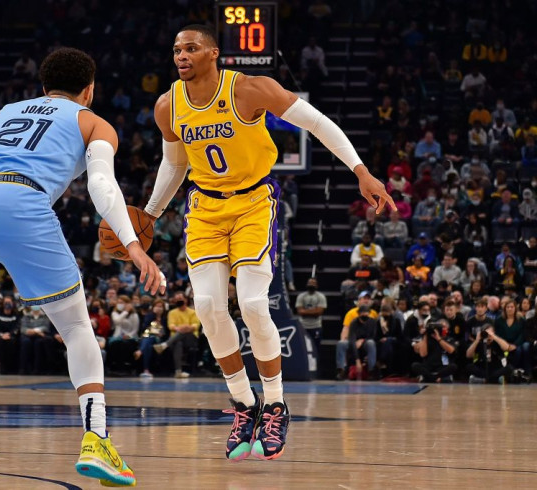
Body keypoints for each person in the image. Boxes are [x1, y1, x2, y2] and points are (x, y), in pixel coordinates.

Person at [0, 47, 164, 486]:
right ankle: (97, 439)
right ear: (89, 89)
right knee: (75, 328)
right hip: (20, 201)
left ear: (43, 87)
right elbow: (102, 184)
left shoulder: (5, 113)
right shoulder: (92, 121)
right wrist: (133, 245)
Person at [143, 24, 394, 461]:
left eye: (191, 48)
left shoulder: (250, 89)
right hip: (204, 209)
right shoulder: (168, 105)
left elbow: (318, 123)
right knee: (206, 305)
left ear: (213, 53)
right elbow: (174, 164)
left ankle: (275, 403)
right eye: (176, 49)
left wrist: (360, 170)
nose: (181, 55)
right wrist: (149, 214)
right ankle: (244, 404)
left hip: (253, 203)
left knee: (255, 304)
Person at [153, 292, 199, 378]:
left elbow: (195, 326)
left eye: (180, 299)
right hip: (175, 339)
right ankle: (178, 372)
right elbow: (171, 326)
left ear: (186, 300)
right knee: (178, 343)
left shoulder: (193, 312)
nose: (179, 300)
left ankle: (164, 345)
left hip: (191, 338)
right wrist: (180, 329)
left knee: (183, 334)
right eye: (177, 299)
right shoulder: (172, 313)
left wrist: (185, 328)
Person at [295, 278, 327, 355]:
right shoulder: (301, 296)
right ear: (306, 284)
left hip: (316, 326)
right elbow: (299, 311)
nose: (311, 285)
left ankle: (315, 365)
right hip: (303, 326)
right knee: (302, 347)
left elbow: (319, 312)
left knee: (316, 348)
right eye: (310, 283)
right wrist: (314, 311)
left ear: (317, 285)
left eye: (313, 283)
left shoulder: (321, 296)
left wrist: (305, 311)